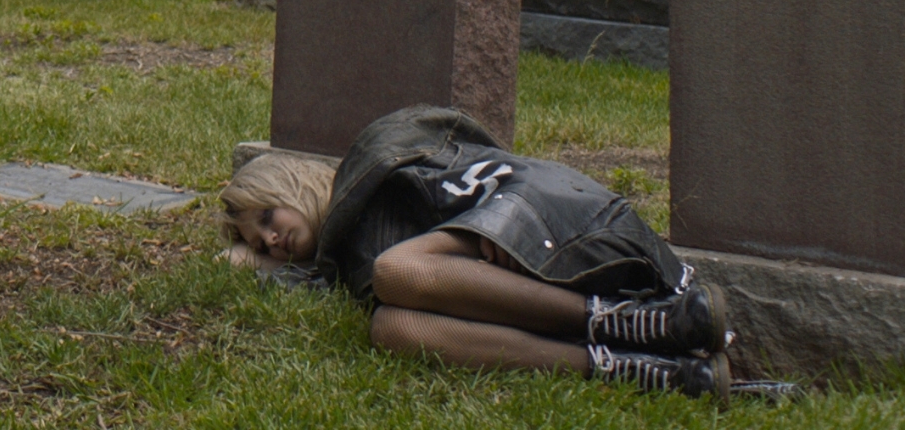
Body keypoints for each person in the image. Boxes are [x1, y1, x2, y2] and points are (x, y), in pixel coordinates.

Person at [221, 105, 731, 397]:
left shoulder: (373, 156)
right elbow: (274, 268)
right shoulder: (342, 257)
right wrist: (242, 255)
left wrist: (494, 222)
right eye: (256, 241)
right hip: (525, 276)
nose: (268, 240)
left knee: (395, 270)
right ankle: (632, 366)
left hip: (565, 220)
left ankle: (639, 320)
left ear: (290, 183)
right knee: (390, 326)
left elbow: (466, 136)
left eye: (266, 217)